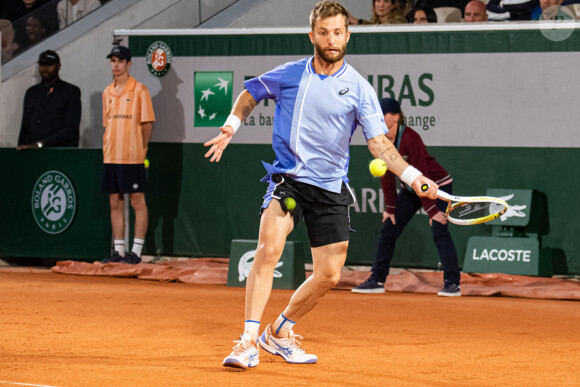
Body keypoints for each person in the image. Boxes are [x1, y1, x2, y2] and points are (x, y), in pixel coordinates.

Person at [204, 1, 438, 370]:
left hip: (330, 188)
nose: (332, 39)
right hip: (289, 181)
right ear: (312, 35)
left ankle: (278, 332)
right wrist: (231, 126)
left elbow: (379, 143)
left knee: (329, 275)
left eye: (339, 32)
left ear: (348, 34)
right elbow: (250, 94)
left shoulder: (359, 88)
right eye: (325, 32)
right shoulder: (291, 74)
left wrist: (412, 176)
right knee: (268, 250)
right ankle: (248, 340)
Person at [352, 98, 461, 297]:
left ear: (394, 117)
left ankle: (452, 283)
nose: (378, 118)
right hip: (412, 190)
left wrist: (432, 210)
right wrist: (391, 209)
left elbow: (422, 172)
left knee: (439, 229)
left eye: (382, 114)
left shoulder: (411, 138)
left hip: (437, 187)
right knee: (388, 230)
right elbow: (387, 176)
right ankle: (376, 279)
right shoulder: (381, 141)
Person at [96, 46, 155, 265]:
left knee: (137, 202)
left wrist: (143, 149)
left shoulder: (140, 90)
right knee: (114, 202)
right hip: (111, 156)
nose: (116, 65)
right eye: (112, 60)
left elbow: (148, 124)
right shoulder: (106, 92)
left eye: (120, 61)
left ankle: (136, 252)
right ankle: (118, 252)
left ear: (129, 64)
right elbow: (107, 124)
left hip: (132, 157)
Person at [17, 50, 81, 149]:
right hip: (32, 154)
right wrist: (21, 149)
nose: (45, 68)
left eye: (50, 64)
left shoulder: (71, 92)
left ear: (58, 66)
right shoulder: (31, 93)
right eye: (42, 64)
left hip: (59, 154)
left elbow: (71, 130)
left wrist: (40, 144)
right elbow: (25, 127)